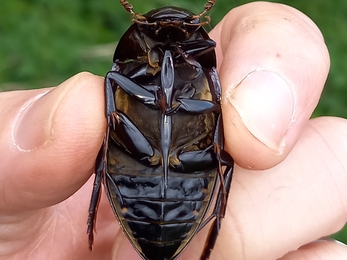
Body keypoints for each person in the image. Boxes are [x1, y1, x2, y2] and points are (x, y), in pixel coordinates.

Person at [1, 2, 346, 260]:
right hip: (149, 173)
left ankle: (214, 232)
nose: (168, 50)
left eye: (181, 40)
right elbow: (115, 80)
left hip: (171, 175)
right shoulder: (125, 77)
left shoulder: (205, 74)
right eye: (157, 37)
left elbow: (217, 107)